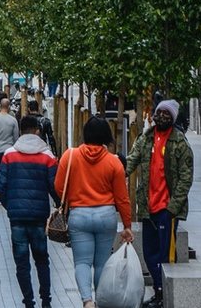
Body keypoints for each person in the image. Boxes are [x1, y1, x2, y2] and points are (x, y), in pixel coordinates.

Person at [55, 116, 134, 308]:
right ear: (107, 136)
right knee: (102, 264)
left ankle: (86, 301)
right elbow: (122, 197)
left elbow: (58, 186)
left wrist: (73, 199)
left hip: (79, 215)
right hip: (106, 216)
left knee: (82, 262)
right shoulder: (114, 162)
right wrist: (127, 225)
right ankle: (99, 300)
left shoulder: (70, 156)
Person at [124, 100, 194, 308]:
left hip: (167, 210)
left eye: (166, 113)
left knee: (165, 255)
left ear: (172, 117)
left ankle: (165, 295)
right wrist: (114, 173)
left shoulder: (179, 142)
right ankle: (158, 290)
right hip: (147, 207)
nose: (161, 116)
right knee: (149, 253)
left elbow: (186, 177)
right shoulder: (145, 138)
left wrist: (173, 207)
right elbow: (131, 161)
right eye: (159, 112)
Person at [0, 115, 61, 308]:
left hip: (17, 218)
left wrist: (11, 206)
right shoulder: (47, 156)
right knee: (42, 259)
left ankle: (28, 301)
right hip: (39, 217)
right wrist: (59, 207)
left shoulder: (9, 154)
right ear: (37, 130)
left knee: (21, 262)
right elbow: (54, 186)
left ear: (21, 130)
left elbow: (1, 185)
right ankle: (46, 301)